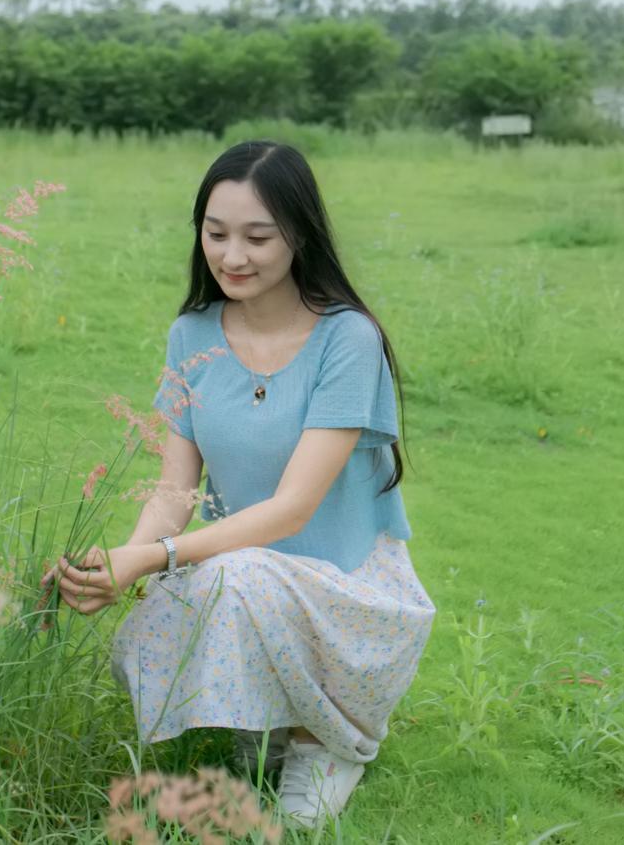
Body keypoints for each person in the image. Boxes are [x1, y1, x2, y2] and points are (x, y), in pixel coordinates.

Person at [38, 139, 436, 828]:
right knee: (176, 609)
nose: (232, 256)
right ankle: (272, 717)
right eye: (216, 233)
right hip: (249, 576)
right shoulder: (192, 334)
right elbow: (175, 490)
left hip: (346, 594)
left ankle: (325, 741)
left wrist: (155, 558)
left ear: (300, 235)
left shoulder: (347, 339)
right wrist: (121, 560)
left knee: (236, 572)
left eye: (257, 237)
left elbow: (292, 510)